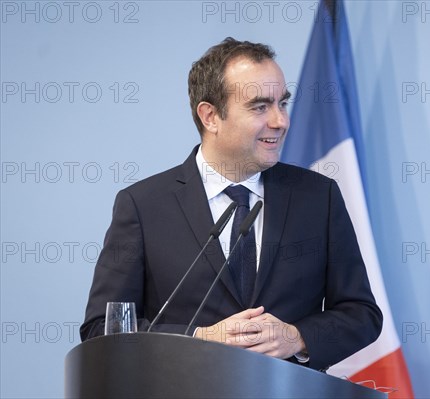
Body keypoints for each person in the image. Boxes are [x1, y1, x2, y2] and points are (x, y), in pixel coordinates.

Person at [80, 37, 382, 372]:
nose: (280, 121)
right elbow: (103, 330)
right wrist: (200, 338)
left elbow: (361, 314)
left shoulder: (318, 197)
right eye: (259, 107)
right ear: (210, 116)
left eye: (282, 103)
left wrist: (297, 337)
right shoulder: (143, 206)